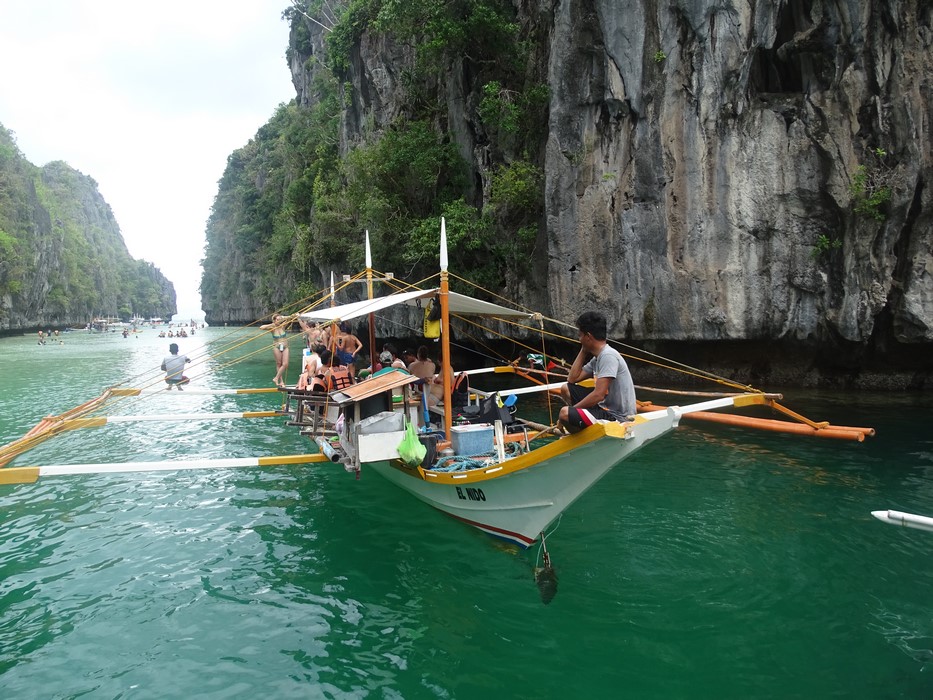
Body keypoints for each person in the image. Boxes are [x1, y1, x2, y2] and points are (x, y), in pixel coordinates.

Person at [558, 311, 636, 432]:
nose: (579, 339)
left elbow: (599, 395)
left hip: (618, 417)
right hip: (603, 408)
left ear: (588, 337)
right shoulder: (598, 357)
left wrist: (573, 410)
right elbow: (572, 379)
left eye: (580, 335)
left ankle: (575, 431)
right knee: (565, 388)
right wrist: (583, 351)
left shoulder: (608, 356)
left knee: (564, 413)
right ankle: (576, 423)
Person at [260, 313, 296, 388]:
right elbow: (261, 327)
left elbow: (291, 318)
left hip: (285, 346)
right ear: (274, 320)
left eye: (280, 319)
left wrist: (283, 317)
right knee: (279, 363)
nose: (279, 321)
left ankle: (276, 378)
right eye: (277, 319)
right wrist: (273, 324)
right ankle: (281, 381)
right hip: (276, 347)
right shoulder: (272, 328)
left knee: (285, 364)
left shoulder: (283, 326)